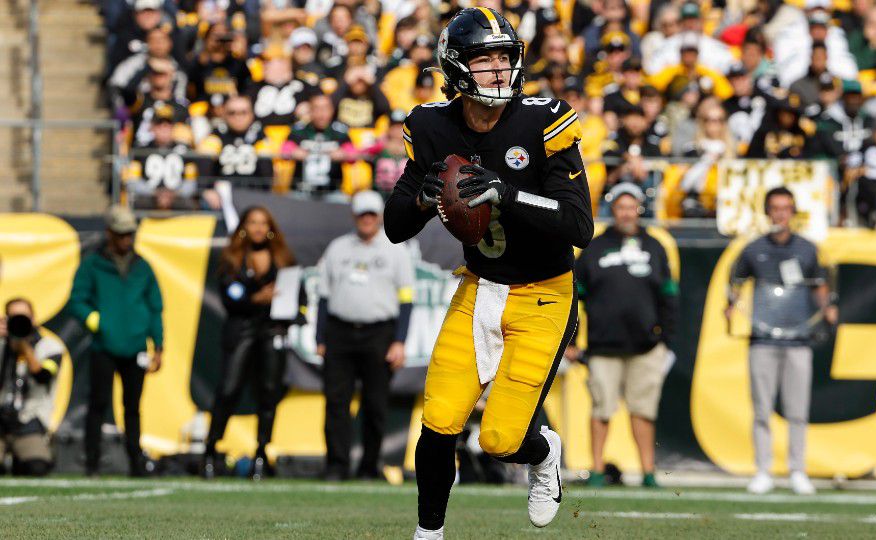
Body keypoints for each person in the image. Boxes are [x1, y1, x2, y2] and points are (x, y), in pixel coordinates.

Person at [383, 8, 592, 539]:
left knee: (500, 439)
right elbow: (394, 225)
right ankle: (429, 533)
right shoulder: (431, 125)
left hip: (544, 294)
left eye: (504, 57)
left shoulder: (543, 119)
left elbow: (579, 225)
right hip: (478, 289)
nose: (498, 69)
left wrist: (508, 191)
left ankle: (544, 454)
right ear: (457, 67)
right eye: (484, 59)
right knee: (440, 420)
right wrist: (424, 202)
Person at [725, 187, 837, 496]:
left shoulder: (807, 249)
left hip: (798, 337)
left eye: (786, 208)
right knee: (761, 409)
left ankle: (797, 470)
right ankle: (763, 470)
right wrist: (731, 304)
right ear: (767, 211)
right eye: (775, 208)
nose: (780, 214)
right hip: (762, 337)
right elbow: (736, 282)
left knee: (797, 410)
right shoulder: (753, 249)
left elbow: (820, 286)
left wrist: (827, 307)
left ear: (793, 212)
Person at [571, 183, 677, 488]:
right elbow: (574, 298)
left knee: (643, 412)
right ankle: (596, 469)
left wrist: (666, 340)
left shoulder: (655, 247)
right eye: (621, 207)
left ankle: (647, 471)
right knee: (601, 410)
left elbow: (669, 296)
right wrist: (573, 342)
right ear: (612, 210)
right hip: (603, 346)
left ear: (639, 210)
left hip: (645, 346)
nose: (626, 213)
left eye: (631, 207)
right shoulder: (594, 248)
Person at [314, 191, 414, 481]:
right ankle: (336, 464)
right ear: (354, 216)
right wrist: (320, 337)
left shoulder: (396, 250)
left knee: (375, 403)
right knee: (336, 402)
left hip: (379, 333)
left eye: (372, 214)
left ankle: (369, 466)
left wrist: (399, 340)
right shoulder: (338, 248)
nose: (367, 219)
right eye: (362, 214)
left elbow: (406, 299)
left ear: (379, 216)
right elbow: (323, 295)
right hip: (339, 331)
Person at [203, 206, 300, 480]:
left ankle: (261, 452)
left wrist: (288, 307)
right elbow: (229, 295)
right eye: (252, 222)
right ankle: (210, 450)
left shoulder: (282, 257)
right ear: (244, 226)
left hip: (271, 330)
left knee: (269, 393)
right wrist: (255, 299)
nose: (258, 228)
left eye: (263, 222)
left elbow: (295, 293)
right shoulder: (233, 258)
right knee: (229, 389)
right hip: (242, 330)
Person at [68, 205, 163, 477]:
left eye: (130, 234)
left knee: (133, 408)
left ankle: (135, 463)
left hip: (135, 347)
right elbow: (77, 300)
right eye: (121, 234)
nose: (126, 240)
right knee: (98, 404)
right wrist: (95, 320)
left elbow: (155, 307)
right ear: (109, 233)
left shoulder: (143, 267)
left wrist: (159, 345)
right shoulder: (92, 265)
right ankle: (92, 464)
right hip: (104, 346)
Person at [0, 298, 63, 477]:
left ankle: (23, 458)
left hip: (29, 421)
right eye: (14, 318)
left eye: (24, 318)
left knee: (36, 468)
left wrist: (24, 348)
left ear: (33, 319)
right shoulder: (2, 343)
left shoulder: (50, 346)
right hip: (1, 421)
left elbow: (43, 376)